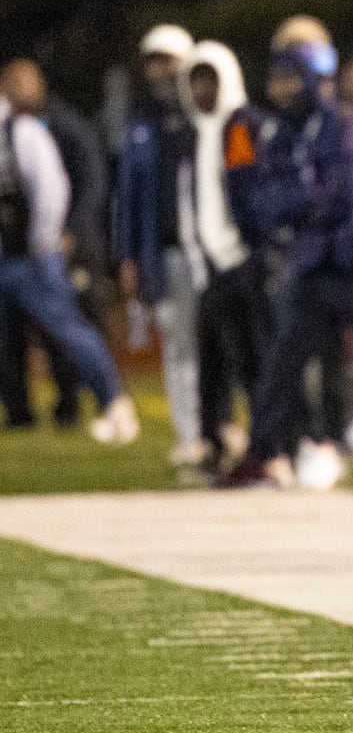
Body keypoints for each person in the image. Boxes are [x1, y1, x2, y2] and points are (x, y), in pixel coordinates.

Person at [217, 38, 353, 493]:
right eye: (277, 79)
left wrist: (294, 205)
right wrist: (298, 203)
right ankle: (261, 454)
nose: (283, 89)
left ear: (314, 81)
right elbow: (263, 199)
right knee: (282, 362)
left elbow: (341, 195)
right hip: (316, 262)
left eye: (292, 78)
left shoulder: (344, 128)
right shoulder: (283, 133)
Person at [0, 93, 137, 443]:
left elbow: (51, 188)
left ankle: (114, 403)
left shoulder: (23, 131)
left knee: (69, 331)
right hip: (10, 256)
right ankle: (18, 414)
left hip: (33, 256)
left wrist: (44, 242)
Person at [176, 40, 269, 474]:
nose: (201, 92)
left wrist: (250, 249)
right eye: (194, 83)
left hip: (242, 263)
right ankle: (214, 444)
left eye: (208, 81)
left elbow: (251, 193)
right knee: (212, 365)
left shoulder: (243, 126)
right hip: (211, 266)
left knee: (253, 359)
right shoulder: (197, 134)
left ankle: (266, 444)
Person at [115, 23, 203, 466]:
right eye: (153, 61)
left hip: (210, 252)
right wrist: (127, 254)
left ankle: (222, 426)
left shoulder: (204, 117)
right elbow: (127, 197)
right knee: (177, 343)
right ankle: (189, 435)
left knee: (220, 342)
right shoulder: (142, 125)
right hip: (165, 252)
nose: (160, 69)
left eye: (166, 59)